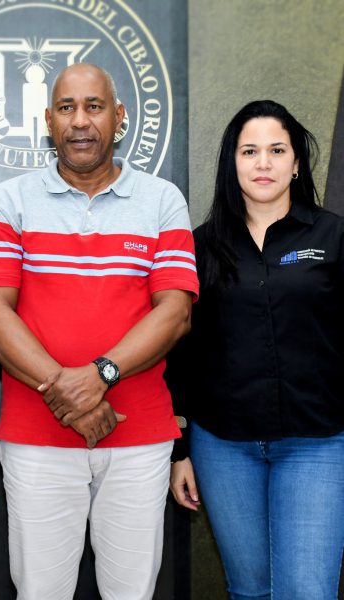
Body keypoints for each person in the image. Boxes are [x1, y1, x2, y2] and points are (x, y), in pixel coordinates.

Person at [0, 63, 199, 600]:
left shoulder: (162, 200)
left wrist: (99, 375)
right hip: (37, 439)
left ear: (118, 116)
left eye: (94, 107)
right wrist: (71, 396)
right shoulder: (8, 201)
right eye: (66, 108)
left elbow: (175, 313)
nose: (80, 121)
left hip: (139, 437)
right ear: (48, 120)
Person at [167, 99, 344, 600]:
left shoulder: (333, 236)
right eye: (249, 151)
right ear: (232, 162)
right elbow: (181, 356)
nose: (263, 162)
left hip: (316, 444)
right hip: (224, 447)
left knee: (306, 591)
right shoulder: (199, 246)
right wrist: (181, 452)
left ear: (296, 163)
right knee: (249, 591)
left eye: (276, 150)